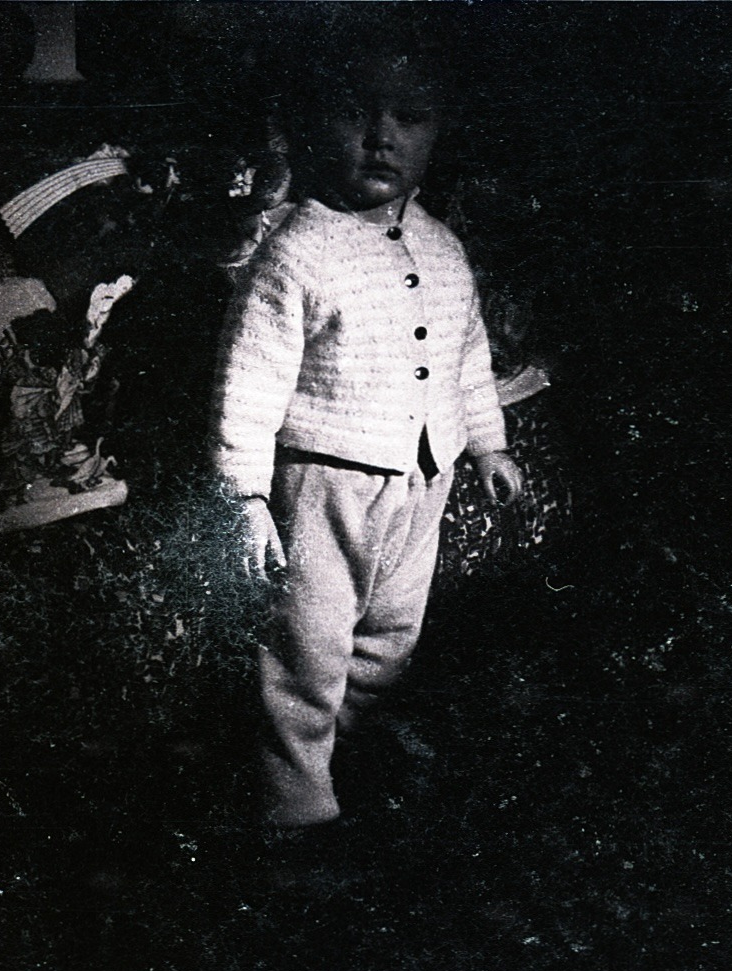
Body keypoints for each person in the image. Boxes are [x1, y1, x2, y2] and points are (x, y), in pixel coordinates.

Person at [212, 35, 524, 827]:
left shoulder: (445, 250)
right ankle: (294, 808)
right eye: (357, 115)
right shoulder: (297, 250)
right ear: (317, 126)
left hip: (424, 477)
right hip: (326, 479)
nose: (382, 137)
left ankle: (334, 760)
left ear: (436, 134)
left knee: (390, 640)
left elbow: (466, 356)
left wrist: (488, 443)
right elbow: (248, 382)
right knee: (308, 649)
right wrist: (244, 495)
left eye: (409, 119)